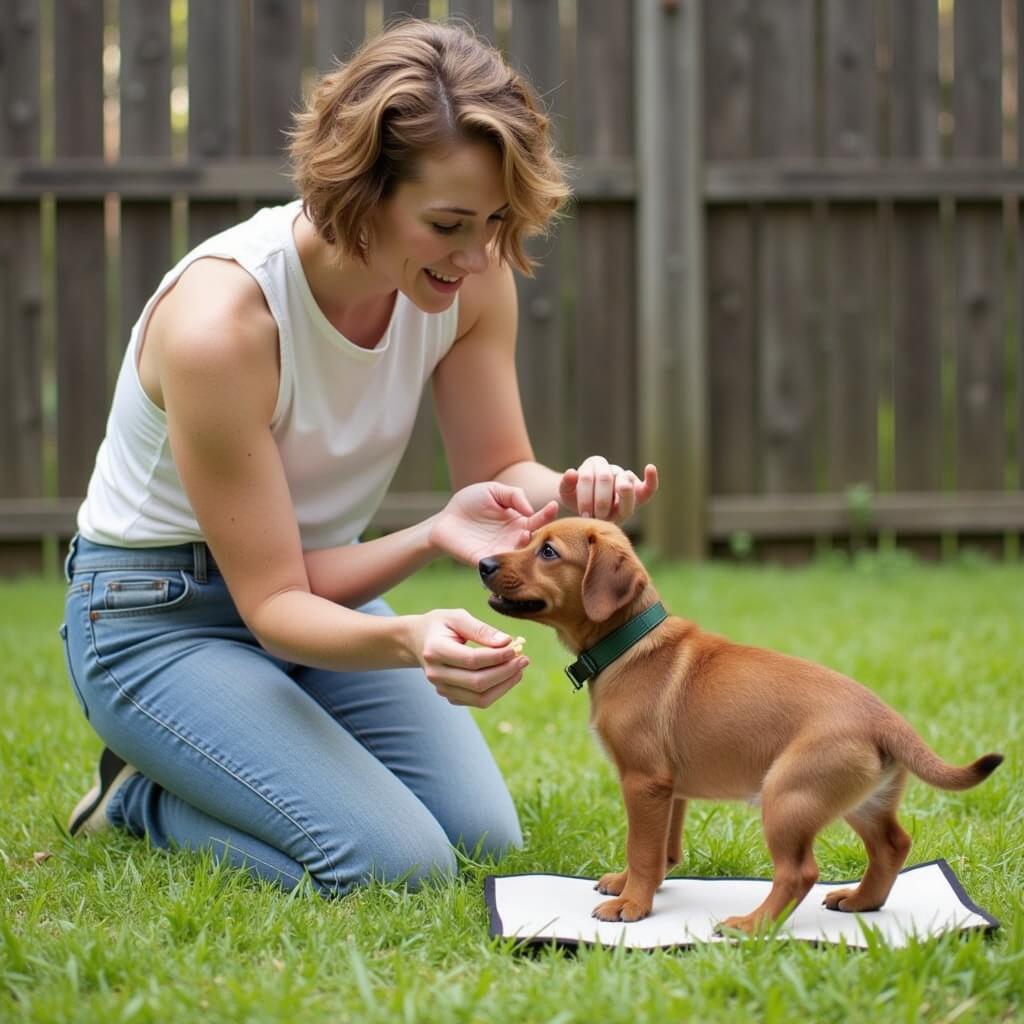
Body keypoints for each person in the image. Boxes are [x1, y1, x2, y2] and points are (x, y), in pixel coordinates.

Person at [61, 18, 658, 896]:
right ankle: (140, 799)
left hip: (315, 587)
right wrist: (410, 636)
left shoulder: (468, 278)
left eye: (495, 220)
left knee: (481, 837)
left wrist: (571, 491)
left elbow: (502, 471)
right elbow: (270, 603)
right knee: (394, 865)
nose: (479, 253)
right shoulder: (223, 326)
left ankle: (228, 753)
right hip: (158, 616)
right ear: (359, 190)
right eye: (448, 222)